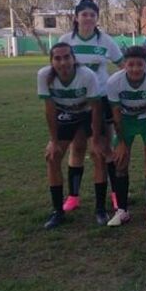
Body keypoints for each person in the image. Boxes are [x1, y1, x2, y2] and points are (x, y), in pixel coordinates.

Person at [58, 0, 123, 225]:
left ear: (97, 19)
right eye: (84, 14)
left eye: (92, 15)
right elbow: (57, 67)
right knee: (77, 148)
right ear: (76, 17)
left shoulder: (106, 41)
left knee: (104, 149)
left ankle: (116, 196)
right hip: (75, 102)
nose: (88, 18)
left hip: (101, 99)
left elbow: (123, 65)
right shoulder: (66, 40)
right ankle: (73, 197)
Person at [37, 43, 101, 229]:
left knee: (97, 153)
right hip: (64, 114)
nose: (63, 62)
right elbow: (49, 110)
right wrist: (54, 141)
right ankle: (58, 211)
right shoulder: (44, 76)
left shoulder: (87, 75)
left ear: (74, 59)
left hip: (87, 113)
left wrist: (96, 139)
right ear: (51, 61)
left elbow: (96, 108)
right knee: (53, 156)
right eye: (57, 58)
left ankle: (99, 209)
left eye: (67, 57)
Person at [105, 46, 146, 226]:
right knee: (120, 160)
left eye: (140, 64)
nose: (135, 69)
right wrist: (121, 142)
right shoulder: (114, 81)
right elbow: (115, 113)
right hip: (125, 121)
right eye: (131, 64)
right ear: (125, 65)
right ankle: (122, 210)